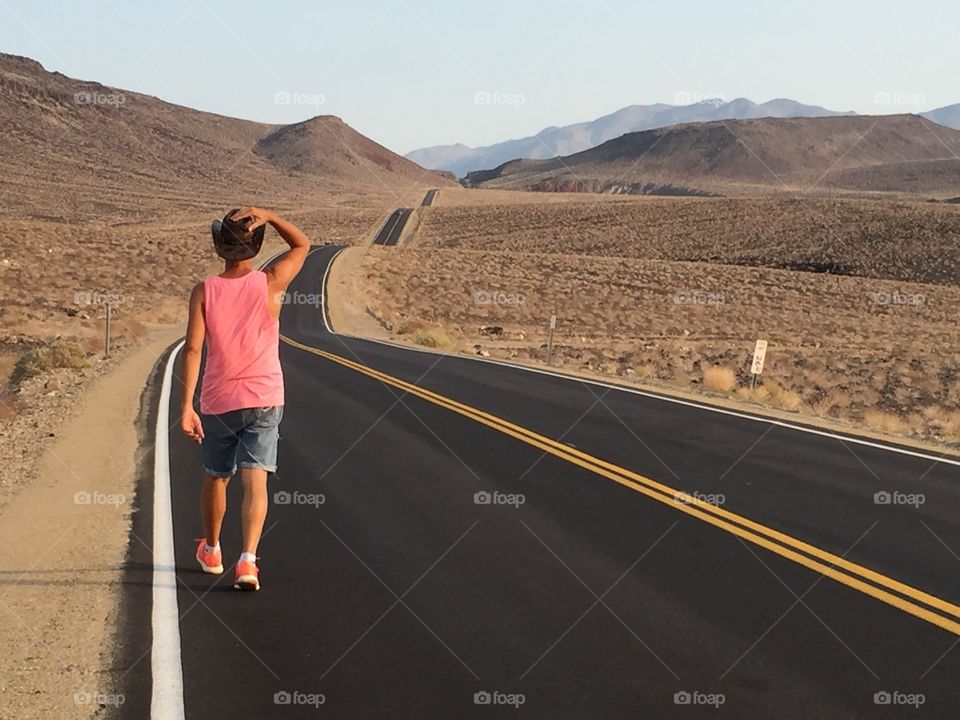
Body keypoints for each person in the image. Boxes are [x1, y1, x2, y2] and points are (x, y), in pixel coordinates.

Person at [179, 207, 309, 591]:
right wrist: (269, 215)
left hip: (218, 400)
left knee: (217, 476)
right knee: (256, 479)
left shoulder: (204, 291)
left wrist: (186, 406)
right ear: (254, 246)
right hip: (265, 397)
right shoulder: (270, 281)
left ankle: (213, 550)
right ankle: (248, 563)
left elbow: (192, 349)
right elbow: (302, 243)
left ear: (220, 248)